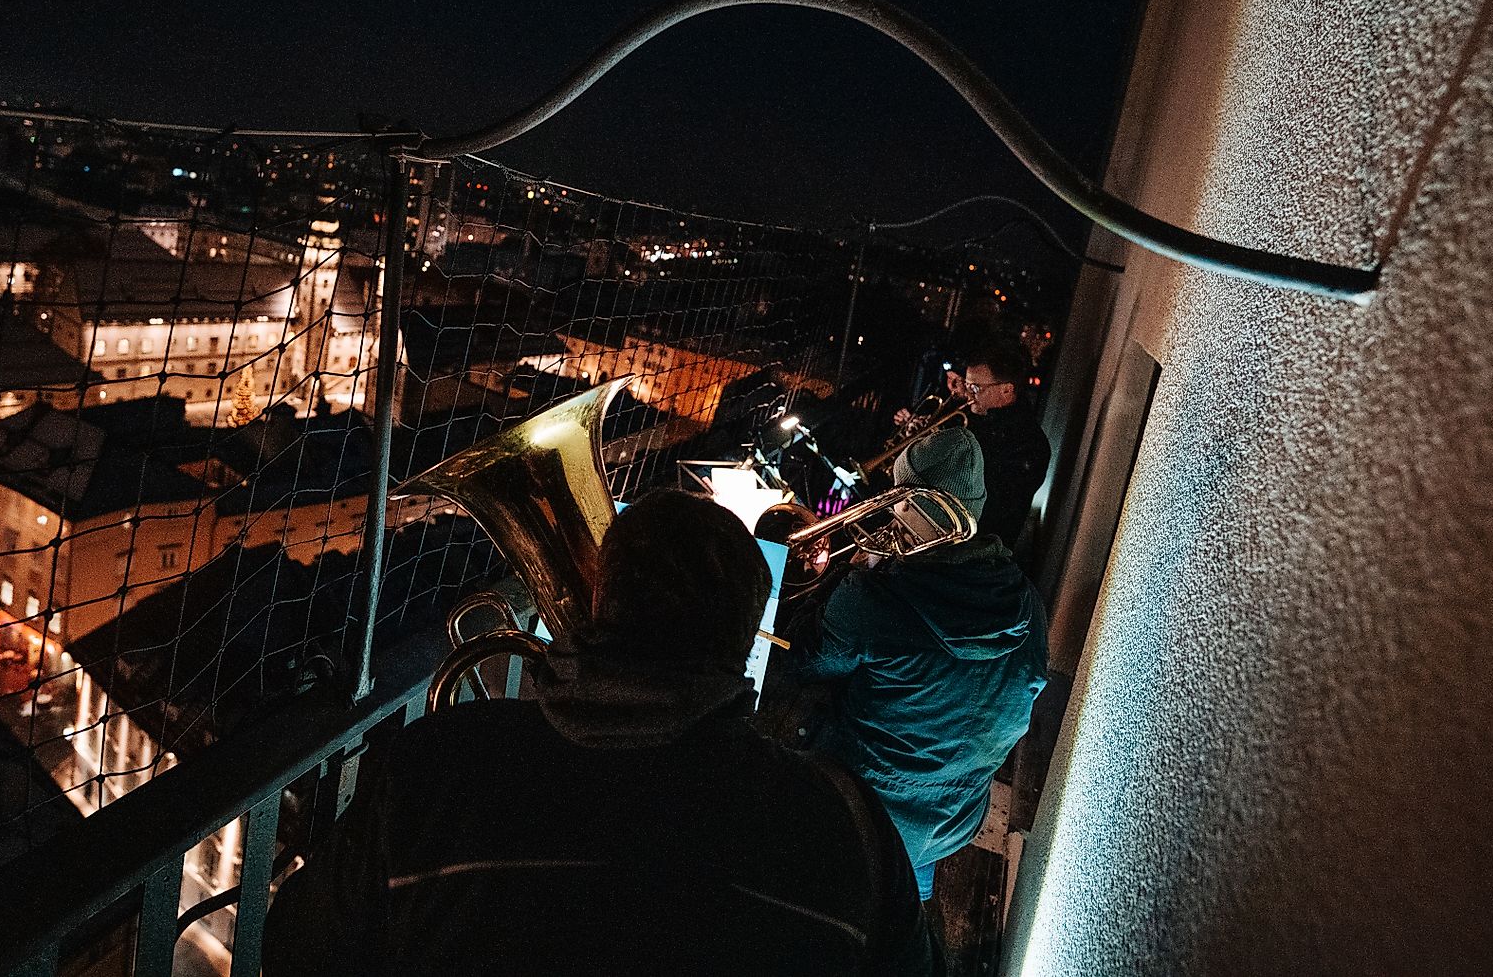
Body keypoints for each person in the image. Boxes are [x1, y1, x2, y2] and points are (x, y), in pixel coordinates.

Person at [264, 489, 940, 976]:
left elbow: (294, 950)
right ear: (743, 643)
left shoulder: (435, 762)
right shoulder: (844, 821)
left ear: (599, 600)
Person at [785, 424, 1047, 907]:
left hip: (858, 810)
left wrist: (843, 581)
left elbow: (804, 660)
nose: (888, 510)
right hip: (952, 819)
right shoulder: (1027, 604)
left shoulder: (873, 600)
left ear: (919, 505)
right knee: (903, 903)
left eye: (898, 499)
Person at [949, 344, 1051, 556]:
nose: (968, 394)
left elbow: (993, 508)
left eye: (975, 388)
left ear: (1006, 389)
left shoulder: (1029, 444)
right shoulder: (976, 419)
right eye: (967, 385)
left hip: (974, 554)